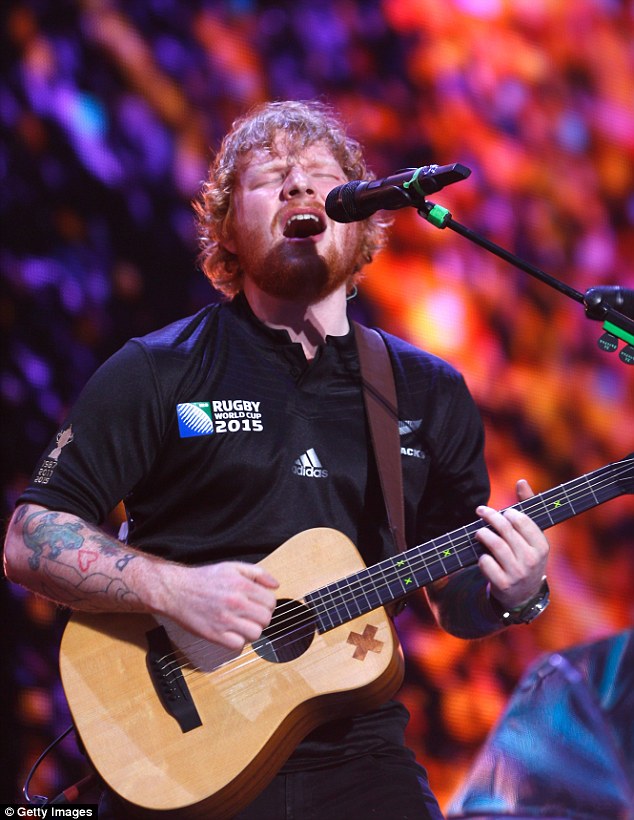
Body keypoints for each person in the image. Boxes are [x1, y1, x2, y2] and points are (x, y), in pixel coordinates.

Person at [3, 100, 550, 820]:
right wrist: (176, 591)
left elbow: (454, 602)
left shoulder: (428, 391)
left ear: (361, 219)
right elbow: (29, 539)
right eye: (270, 179)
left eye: (321, 177)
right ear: (226, 227)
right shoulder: (157, 371)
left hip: (358, 757)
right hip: (180, 754)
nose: (298, 187)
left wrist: (517, 594)